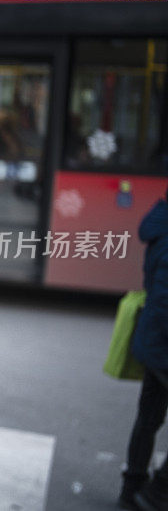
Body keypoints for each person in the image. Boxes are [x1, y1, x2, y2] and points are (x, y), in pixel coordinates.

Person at [119, 185, 168, 510]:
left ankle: (132, 487)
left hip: (155, 340)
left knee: (148, 417)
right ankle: (156, 493)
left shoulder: (160, 223)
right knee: (149, 417)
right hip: (164, 344)